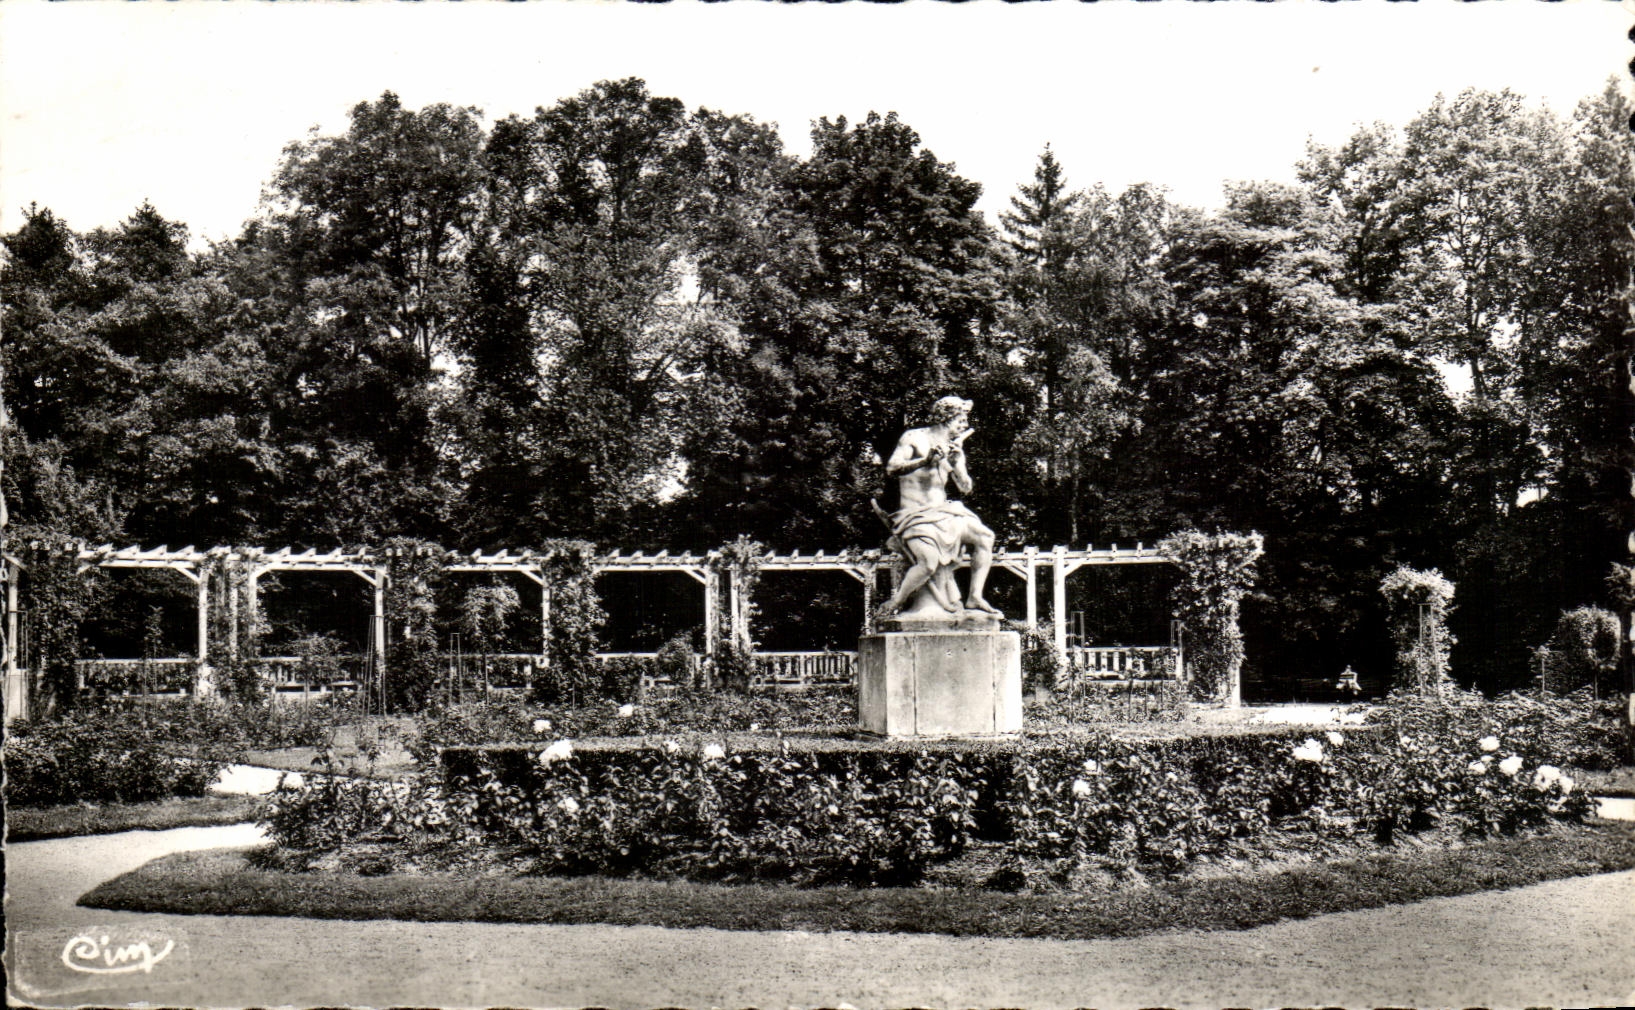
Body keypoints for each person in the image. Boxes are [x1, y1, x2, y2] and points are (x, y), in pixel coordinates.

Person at [874, 395, 1001, 621]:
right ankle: (897, 600)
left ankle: (974, 596)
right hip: (915, 516)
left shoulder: (954, 447)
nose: (964, 426)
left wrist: (956, 465)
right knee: (928, 564)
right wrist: (924, 461)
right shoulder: (914, 437)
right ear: (946, 418)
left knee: (985, 537)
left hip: (945, 513)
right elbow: (892, 469)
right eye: (961, 420)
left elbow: (966, 488)